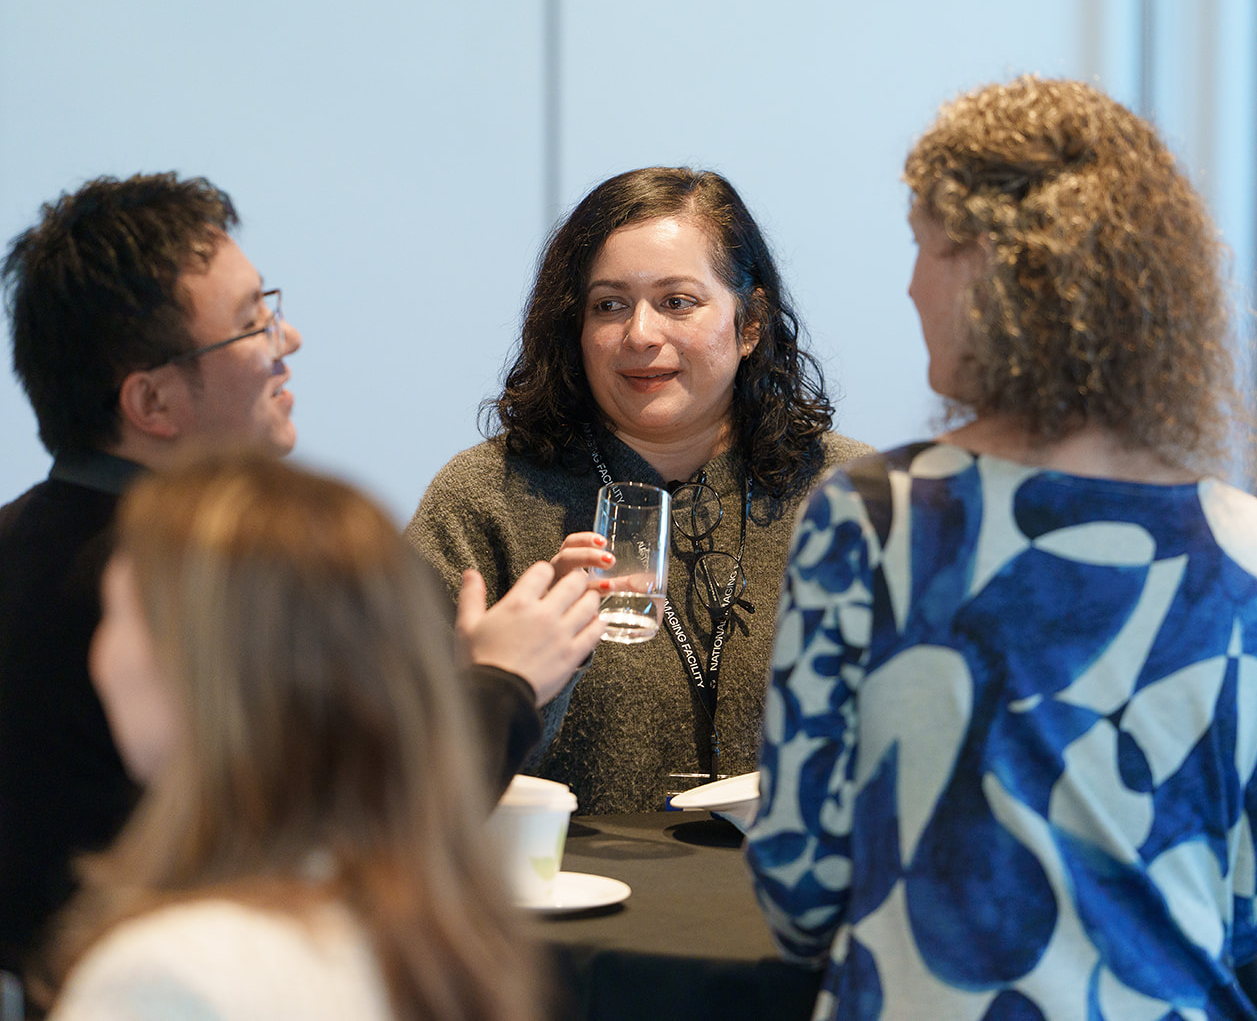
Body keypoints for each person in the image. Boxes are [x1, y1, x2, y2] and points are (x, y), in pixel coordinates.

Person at [744, 76, 1257, 1020]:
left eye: (925, 246)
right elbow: (1254, 896)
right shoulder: (1251, 544)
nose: (911, 285)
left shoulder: (876, 517)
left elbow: (801, 875)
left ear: (997, 270)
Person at [0, 173, 601, 986]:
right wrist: (503, 683)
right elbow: (357, 843)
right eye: (251, 323)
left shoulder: (29, 540)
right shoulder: (184, 583)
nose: (289, 339)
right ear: (151, 401)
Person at [409, 167, 871, 814]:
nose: (641, 335)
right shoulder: (483, 500)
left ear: (749, 323)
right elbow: (398, 776)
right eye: (609, 305)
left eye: (677, 302)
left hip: (793, 878)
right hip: (557, 876)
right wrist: (523, 677)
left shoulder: (852, 495)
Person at [42, 452, 544, 1020]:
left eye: (116, 613)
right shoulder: (434, 933)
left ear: (201, 662)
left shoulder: (162, 976)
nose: (99, 656)